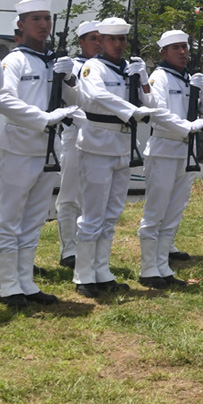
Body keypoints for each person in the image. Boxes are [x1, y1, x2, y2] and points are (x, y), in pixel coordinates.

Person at [0, 0, 78, 307]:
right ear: (22, 25)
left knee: (35, 217)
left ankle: (25, 280)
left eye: (46, 18)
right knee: (9, 215)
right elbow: (3, 101)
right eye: (36, 19)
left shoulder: (54, 60)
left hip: (49, 149)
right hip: (20, 145)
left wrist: (68, 77)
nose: (43, 24)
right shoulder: (14, 60)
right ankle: (8, 283)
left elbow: (78, 98)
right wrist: (42, 118)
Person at [72, 16, 158, 298]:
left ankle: (102, 270)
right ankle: (84, 274)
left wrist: (143, 77)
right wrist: (129, 110)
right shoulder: (92, 67)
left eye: (122, 39)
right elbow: (96, 94)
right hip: (98, 144)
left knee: (111, 215)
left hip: (122, 145)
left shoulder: (128, 69)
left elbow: (153, 104)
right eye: (112, 39)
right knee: (92, 214)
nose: (118, 45)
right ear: (101, 41)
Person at [138, 30, 203, 288]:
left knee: (174, 211)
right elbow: (158, 112)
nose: (183, 52)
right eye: (176, 48)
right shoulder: (159, 77)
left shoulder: (188, 79)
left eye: (185, 47)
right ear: (164, 52)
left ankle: (162, 264)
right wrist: (187, 127)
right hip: (164, 147)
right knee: (156, 211)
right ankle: (149, 268)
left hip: (185, 150)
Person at [56, 20, 101, 267]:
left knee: (93, 197)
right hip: (75, 134)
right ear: (81, 42)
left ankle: (88, 248)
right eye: (92, 38)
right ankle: (68, 251)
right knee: (70, 195)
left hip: (103, 137)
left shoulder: (107, 68)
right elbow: (70, 99)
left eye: (100, 37)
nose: (98, 42)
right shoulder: (71, 65)